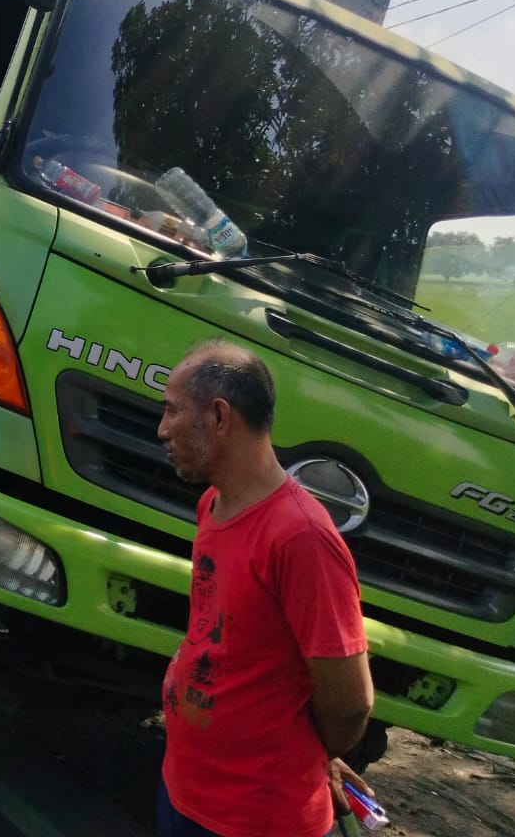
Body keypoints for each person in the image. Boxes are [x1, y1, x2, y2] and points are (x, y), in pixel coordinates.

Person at [157, 340, 374, 837]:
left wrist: (313, 753)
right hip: (184, 789)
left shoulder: (301, 537)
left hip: (254, 819)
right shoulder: (213, 504)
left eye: (173, 411)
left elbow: (350, 704)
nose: (162, 429)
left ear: (219, 417)